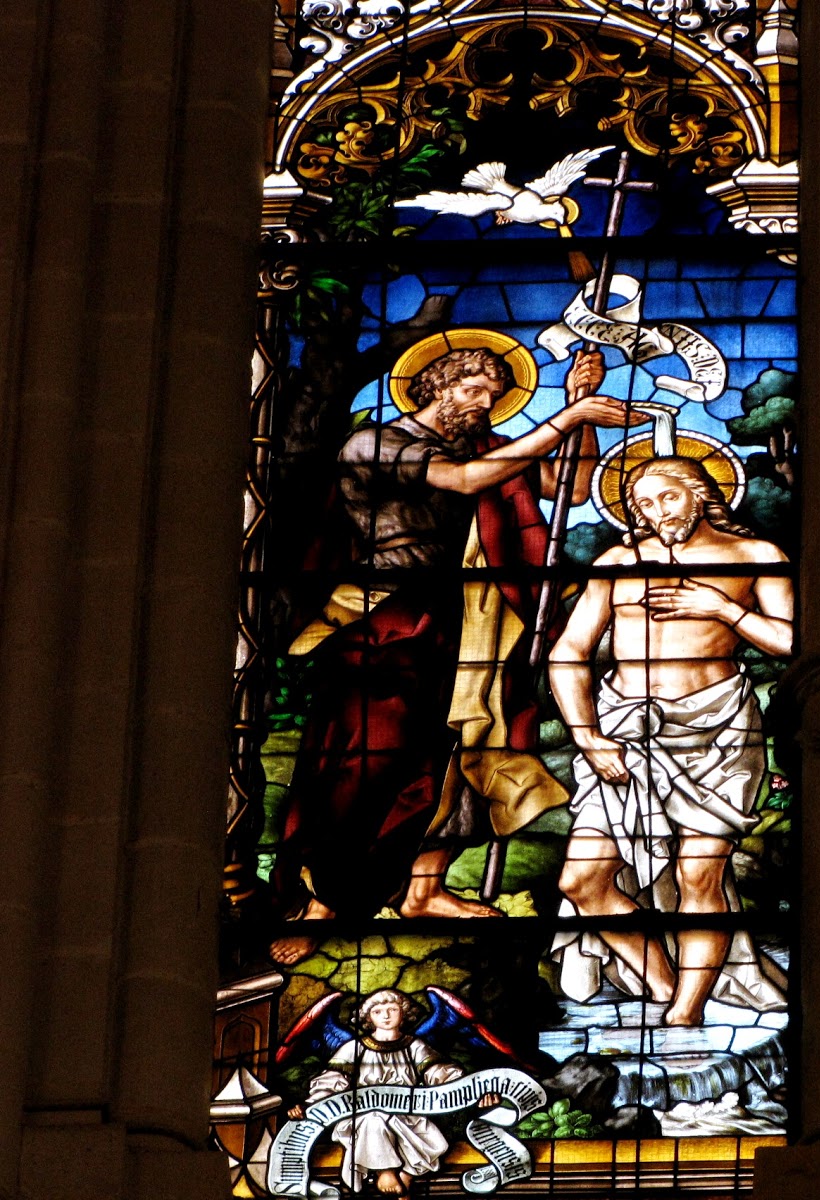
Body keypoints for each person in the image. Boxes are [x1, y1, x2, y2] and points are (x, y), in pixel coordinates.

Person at [271, 344, 634, 964]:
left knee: (461, 752)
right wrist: (568, 418)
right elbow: (462, 481)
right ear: (436, 384)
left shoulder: (488, 449)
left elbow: (570, 488)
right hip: (382, 616)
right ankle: (322, 902)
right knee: (364, 759)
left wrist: (581, 406)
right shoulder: (376, 443)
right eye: (473, 390)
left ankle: (424, 889)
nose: (484, 404)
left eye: (493, 395)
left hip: (466, 623)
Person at [549, 456, 792, 1026]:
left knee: (697, 875)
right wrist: (587, 735)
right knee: (582, 880)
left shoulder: (755, 556)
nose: (657, 512)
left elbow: (791, 640)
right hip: (622, 732)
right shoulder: (618, 563)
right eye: (644, 504)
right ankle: (661, 982)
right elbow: (569, 652)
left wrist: (723, 609)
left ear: (701, 495)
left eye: (668, 498)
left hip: (718, 732)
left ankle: (686, 1010)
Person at [291, 990, 493, 1197]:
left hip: (407, 1115)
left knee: (430, 1139)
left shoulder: (415, 1046)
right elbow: (331, 1082)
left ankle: (406, 1175)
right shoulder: (353, 1048)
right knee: (374, 1120)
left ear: (404, 1013)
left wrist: (473, 1093)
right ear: (368, 1018)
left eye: (392, 1009)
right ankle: (385, 1171)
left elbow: (440, 1074)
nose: (386, 1016)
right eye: (378, 1011)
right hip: (362, 1117)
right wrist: (309, 1105)